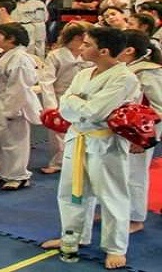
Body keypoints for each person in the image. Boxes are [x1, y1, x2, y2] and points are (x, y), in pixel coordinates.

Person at [41, 27, 140, 270]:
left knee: (111, 195)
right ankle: (73, 237)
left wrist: (76, 103)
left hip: (106, 143)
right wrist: (76, 103)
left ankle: (116, 248)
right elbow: (65, 105)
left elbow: (96, 111)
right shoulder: (84, 73)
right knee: (71, 192)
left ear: (104, 51)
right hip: (78, 138)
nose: (81, 48)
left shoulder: (125, 78)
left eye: (86, 44)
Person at [117, 30, 162, 235]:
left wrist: (143, 138)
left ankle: (135, 217)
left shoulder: (149, 72)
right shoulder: (124, 69)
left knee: (135, 174)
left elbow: (159, 108)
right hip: (119, 129)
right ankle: (117, 211)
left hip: (140, 132)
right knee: (116, 173)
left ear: (129, 50)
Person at [0, 23, 41, 190]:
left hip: (15, 104)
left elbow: (19, 87)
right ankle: (6, 172)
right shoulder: (6, 54)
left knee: (15, 141)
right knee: (3, 140)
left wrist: (12, 110)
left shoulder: (20, 59)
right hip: (1, 98)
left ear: (11, 39)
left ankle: (19, 175)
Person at [38, 21, 93, 175]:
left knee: (84, 131)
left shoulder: (89, 54)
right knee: (58, 133)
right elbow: (46, 81)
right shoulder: (56, 55)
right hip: (60, 95)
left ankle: (82, 161)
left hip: (84, 97)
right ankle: (57, 162)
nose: (85, 45)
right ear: (76, 38)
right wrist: (51, 105)